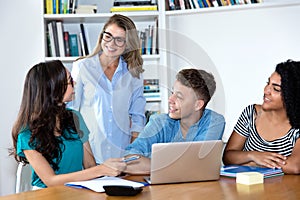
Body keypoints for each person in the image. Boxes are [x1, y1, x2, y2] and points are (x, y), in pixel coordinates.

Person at [10, 60, 126, 189]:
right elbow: (51, 181)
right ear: (53, 89)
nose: (75, 84)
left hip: (76, 191)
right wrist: (101, 170)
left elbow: (90, 165)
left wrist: (108, 169)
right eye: (70, 81)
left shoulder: (75, 118)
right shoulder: (27, 134)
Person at [68, 14, 146, 164]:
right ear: (101, 36)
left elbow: (137, 117)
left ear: (128, 44)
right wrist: (86, 156)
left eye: (119, 39)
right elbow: (73, 112)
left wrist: (131, 154)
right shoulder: (82, 67)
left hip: (122, 155)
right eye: (108, 36)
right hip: (89, 154)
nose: (111, 43)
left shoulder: (133, 73)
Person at [123, 68, 226, 174]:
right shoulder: (159, 122)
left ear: (198, 105)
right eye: (172, 93)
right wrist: (172, 167)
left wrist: (152, 165)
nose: (170, 99)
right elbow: (129, 158)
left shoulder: (214, 122)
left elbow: (196, 162)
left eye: (179, 97)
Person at [222, 59, 300, 174]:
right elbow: (228, 157)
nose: (266, 90)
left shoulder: (297, 126)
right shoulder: (251, 114)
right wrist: (253, 155)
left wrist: (254, 164)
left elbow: (295, 166)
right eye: (267, 83)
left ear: (292, 96)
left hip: (282, 190)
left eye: (276, 89)